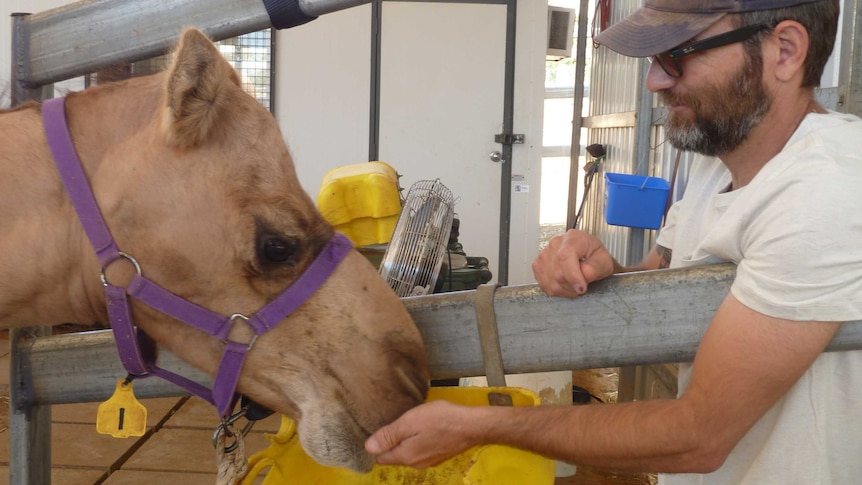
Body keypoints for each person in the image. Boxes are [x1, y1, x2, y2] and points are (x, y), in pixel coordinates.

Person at [366, 0, 862, 482]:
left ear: (786, 50)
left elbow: (699, 435)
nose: (655, 81)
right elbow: (668, 287)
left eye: (680, 54)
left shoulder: (827, 189)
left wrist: (480, 425)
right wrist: (608, 271)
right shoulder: (719, 162)